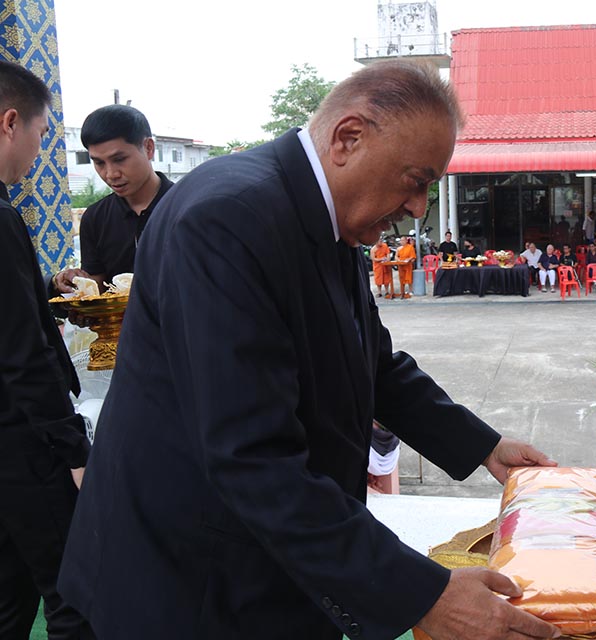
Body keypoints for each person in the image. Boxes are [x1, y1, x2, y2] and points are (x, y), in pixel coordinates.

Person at [58, 60, 560, 640]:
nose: (419, 207)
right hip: (194, 580)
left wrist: (483, 445)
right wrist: (421, 595)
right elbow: (251, 456)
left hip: (269, 563)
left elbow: (372, 363)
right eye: (416, 180)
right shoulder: (227, 219)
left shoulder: (323, 213)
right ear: (349, 138)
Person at [0, 60, 94, 640]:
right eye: (40, 135)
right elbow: (23, 354)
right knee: (73, 592)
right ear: (10, 122)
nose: (37, 154)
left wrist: (42, 291)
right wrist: (73, 449)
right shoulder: (3, 218)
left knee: (9, 596)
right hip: (23, 443)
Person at [51, 105, 172, 295]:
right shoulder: (95, 218)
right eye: (99, 162)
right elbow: (97, 290)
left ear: (148, 148)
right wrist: (75, 282)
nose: (110, 174)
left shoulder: (185, 207)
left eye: (119, 159)